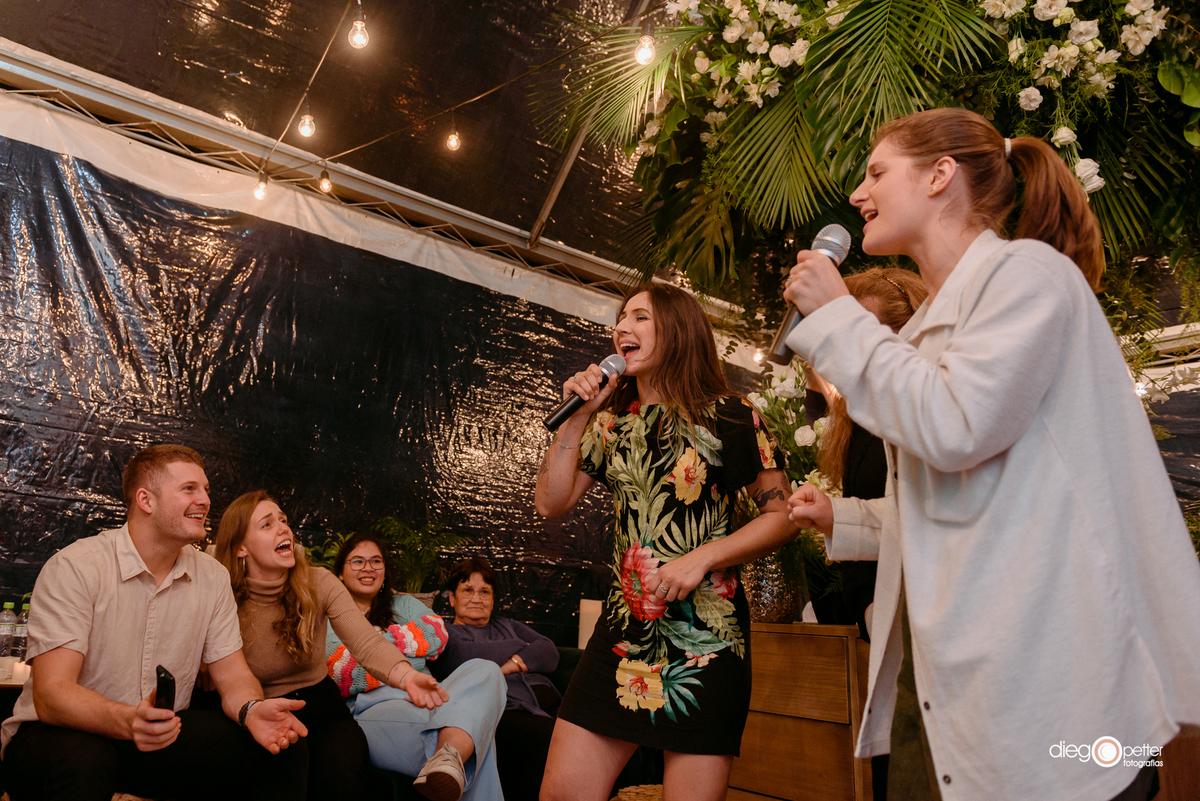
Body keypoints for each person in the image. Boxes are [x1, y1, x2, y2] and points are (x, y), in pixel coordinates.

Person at [782, 107, 1200, 801]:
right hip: (950, 679)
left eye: (877, 172)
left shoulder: (1030, 275)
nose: (857, 194)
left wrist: (837, 320)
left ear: (942, 175)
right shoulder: (922, 330)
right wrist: (847, 521)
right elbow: (963, 503)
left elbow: (957, 425)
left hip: (1049, 673)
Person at [534, 283, 796, 801]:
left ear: (677, 330)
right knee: (563, 793)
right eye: (620, 317)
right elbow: (551, 501)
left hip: (710, 640)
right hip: (622, 631)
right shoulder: (611, 423)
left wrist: (703, 558)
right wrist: (580, 416)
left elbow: (784, 516)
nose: (621, 327)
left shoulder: (733, 416)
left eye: (640, 317)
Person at [0, 444, 308, 801]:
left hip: (155, 736)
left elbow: (234, 676)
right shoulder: (76, 567)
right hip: (58, 736)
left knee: (281, 747)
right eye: (190, 489)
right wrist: (128, 720)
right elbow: (53, 695)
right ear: (146, 500)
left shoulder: (213, 576)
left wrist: (251, 710)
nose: (205, 500)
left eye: (206, 489)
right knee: (87, 760)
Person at [213, 491, 451, 801]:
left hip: (322, 708)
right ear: (241, 547)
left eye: (283, 520)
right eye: (267, 524)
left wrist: (406, 676)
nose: (284, 528)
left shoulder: (319, 582)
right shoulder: (220, 594)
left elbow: (364, 641)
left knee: (343, 777)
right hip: (261, 711)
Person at [803, 267, 926, 801]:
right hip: (883, 622)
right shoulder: (856, 420)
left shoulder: (921, 408)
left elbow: (928, 515)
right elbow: (899, 514)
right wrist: (835, 515)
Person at [326, 532, 506, 801]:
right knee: (473, 736)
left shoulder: (405, 603)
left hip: (433, 700)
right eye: (357, 561)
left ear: (385, 571)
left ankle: (447, 757)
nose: (368, 568)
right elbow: (347, 672)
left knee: (487, 669)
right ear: (340, 573)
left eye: (376, 561)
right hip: (375, 709)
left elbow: (437, 634)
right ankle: (449, 753)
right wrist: (410, 642)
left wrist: (374, 648)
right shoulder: (329, 617)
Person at [432, 557, 561, 801]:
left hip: (548, 701)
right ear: (451, 598)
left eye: (485, 592)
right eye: (467, 590)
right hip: (506, 710)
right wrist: (522, 648)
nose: (476, 598)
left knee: (597, 730)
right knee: (549, 735)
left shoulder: (507, 624)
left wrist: (507, 666)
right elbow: (466, 655)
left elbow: (549, 652)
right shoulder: (448, 633)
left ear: (493, 599)